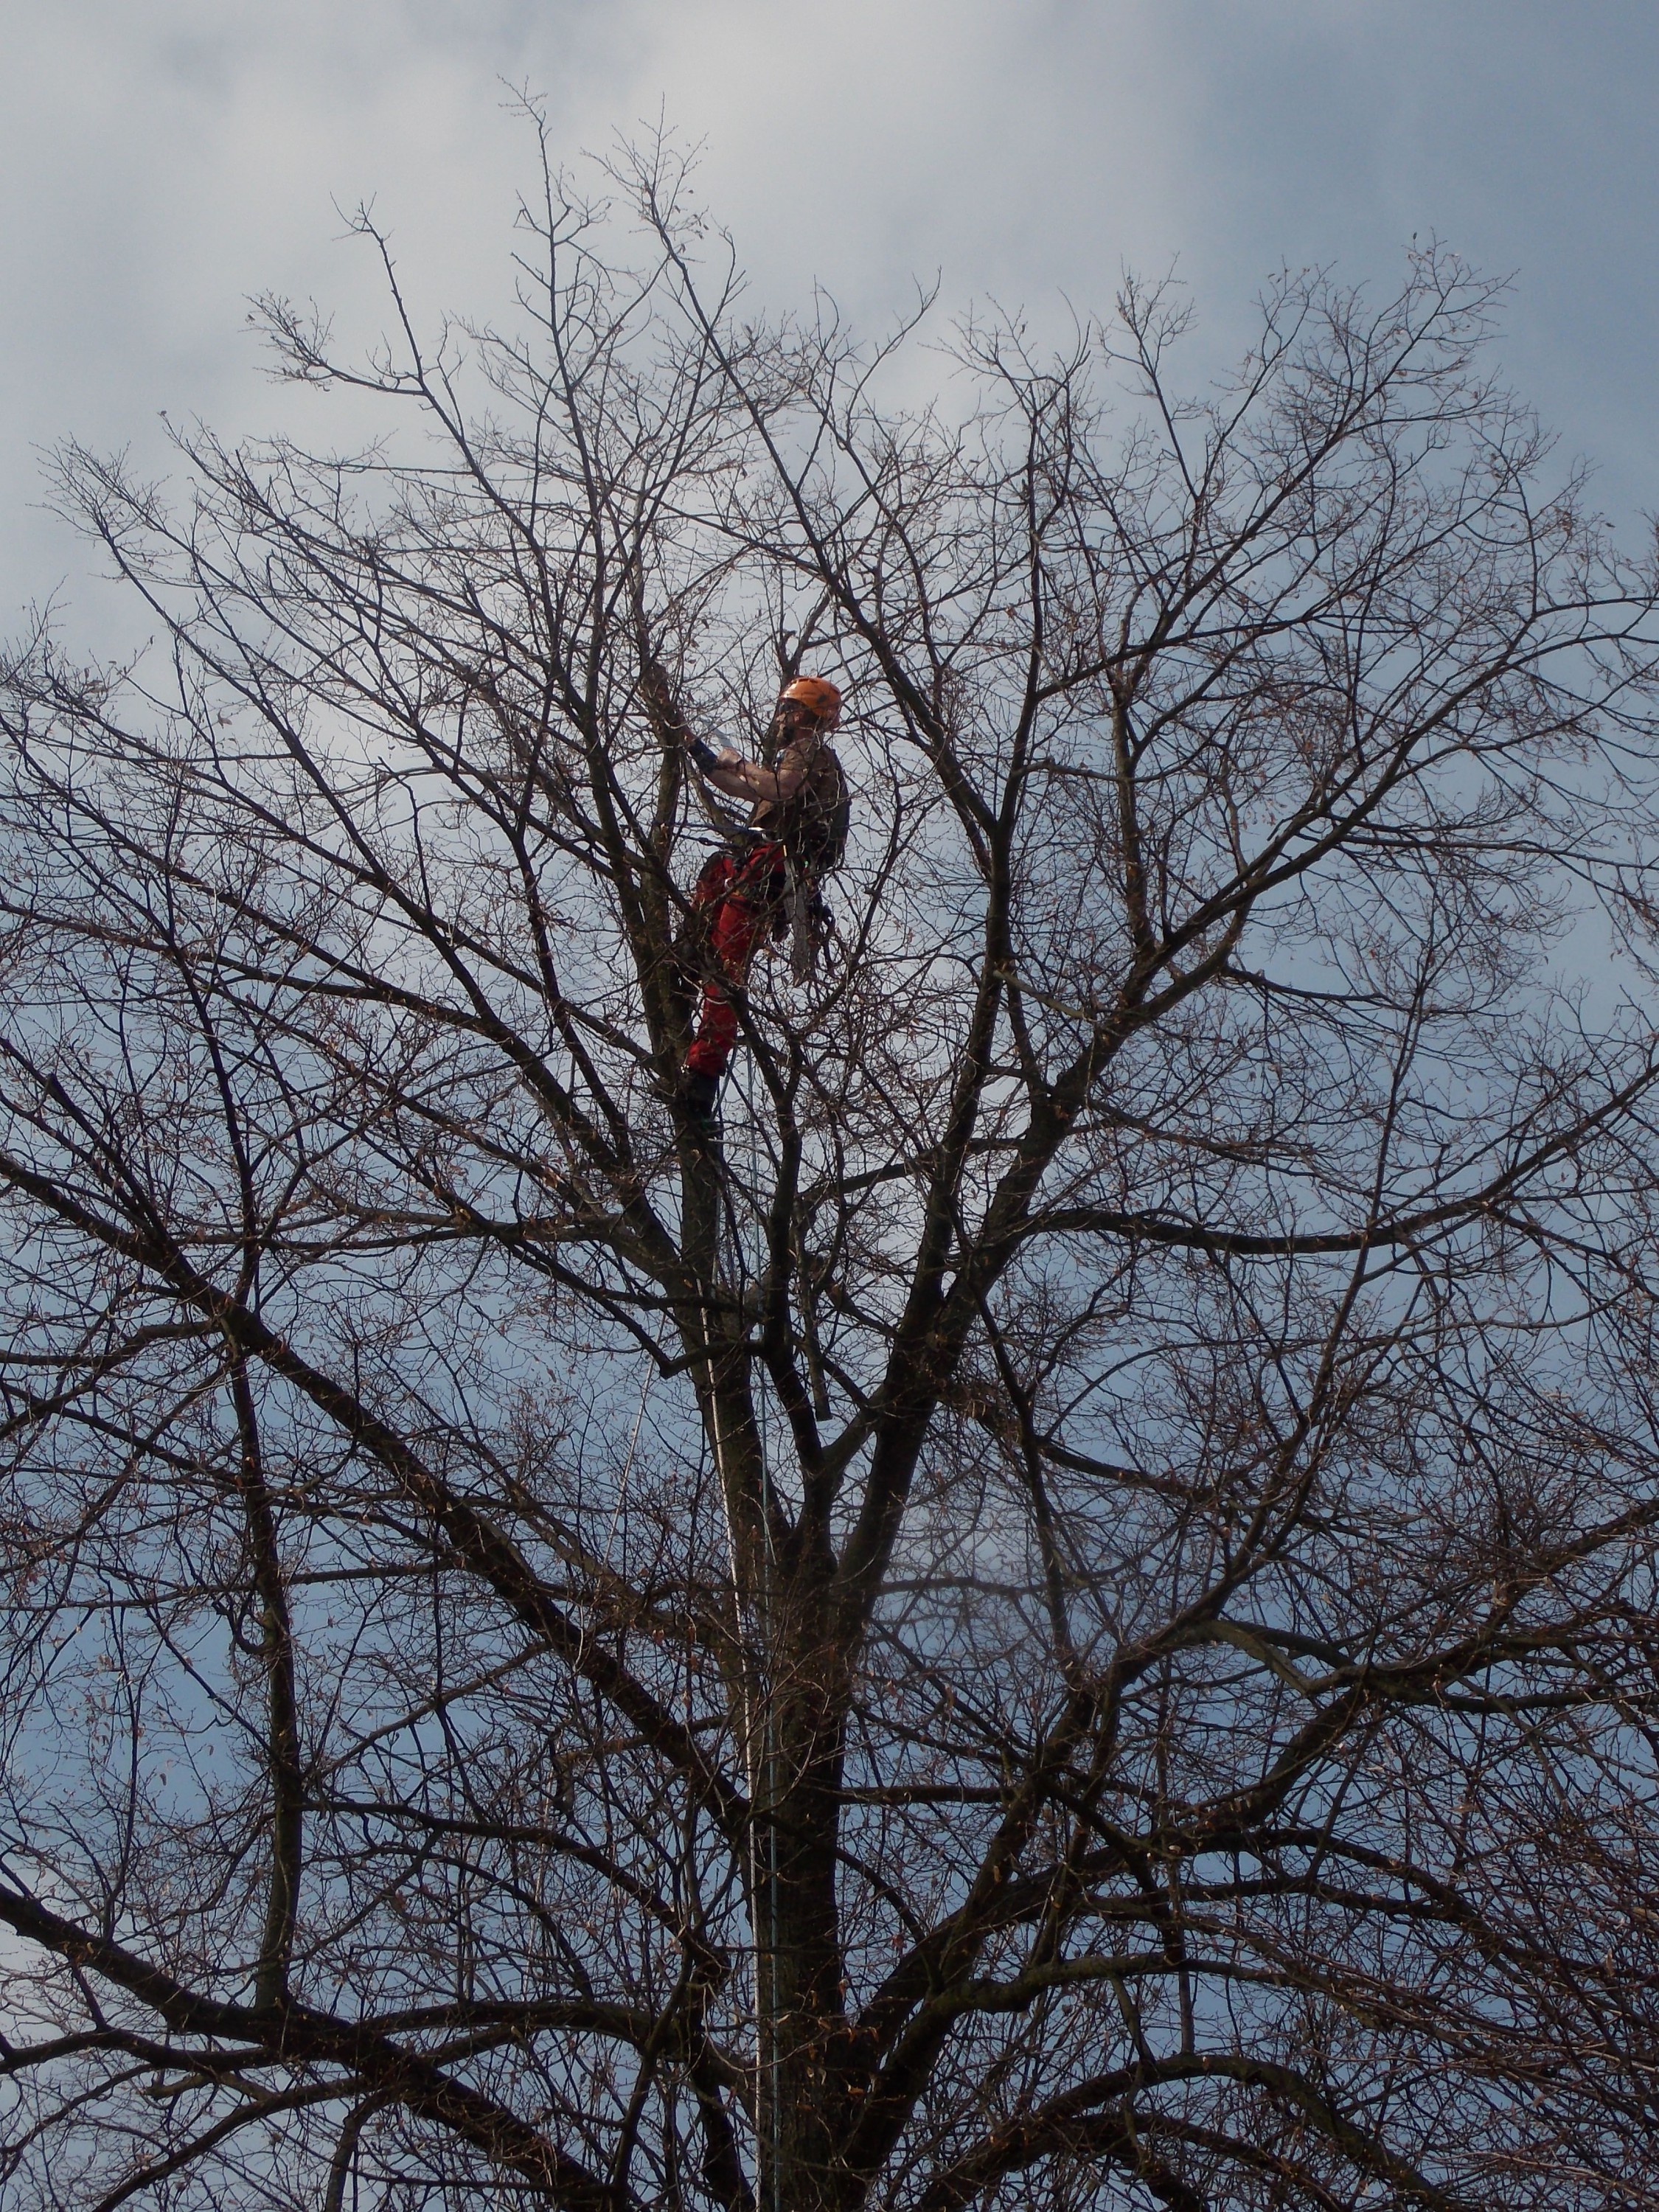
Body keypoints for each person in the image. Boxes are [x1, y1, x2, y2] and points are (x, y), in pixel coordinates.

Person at [649, 670, 847, 1132]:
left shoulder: (810, 750)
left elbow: (775, 786)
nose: (779, 718)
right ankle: (689, 957)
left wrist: (739, 764)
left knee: (726, 971)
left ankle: (701, 1077)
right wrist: (697, 747)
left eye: (786, 710)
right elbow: (740, 786)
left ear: (803, 713)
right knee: (718, 869)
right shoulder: (801, 759)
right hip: (767, 871)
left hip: (776, 869)